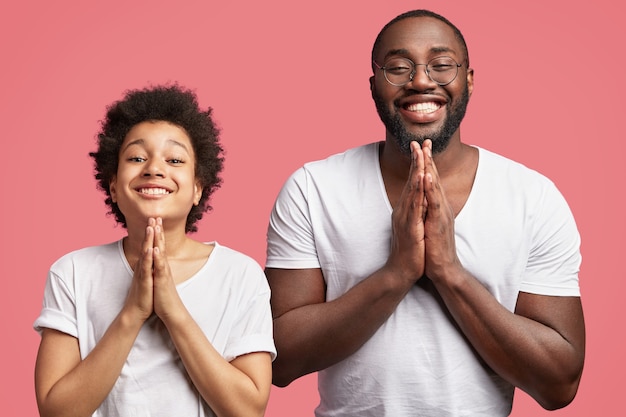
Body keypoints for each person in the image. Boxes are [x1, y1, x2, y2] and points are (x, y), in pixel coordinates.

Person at [265, 9, 585, 417]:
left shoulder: (533, 198)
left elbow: (559, 384)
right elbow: (279, 359)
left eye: (442, 65)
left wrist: (449, 272)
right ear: (374, 85)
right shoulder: (313, 189)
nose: (420, 80)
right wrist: (396, 274)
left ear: (469, 79)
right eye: (398, 67)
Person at [34, 84, 276, 417]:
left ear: (197, 188)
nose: (154, 168)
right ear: (114, 186)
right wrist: (132, 312)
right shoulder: (73, 272)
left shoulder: (239, 274)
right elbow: (56, 412)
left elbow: (248, 411)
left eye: (174, 159)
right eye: (136, 157)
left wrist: (172, 310)